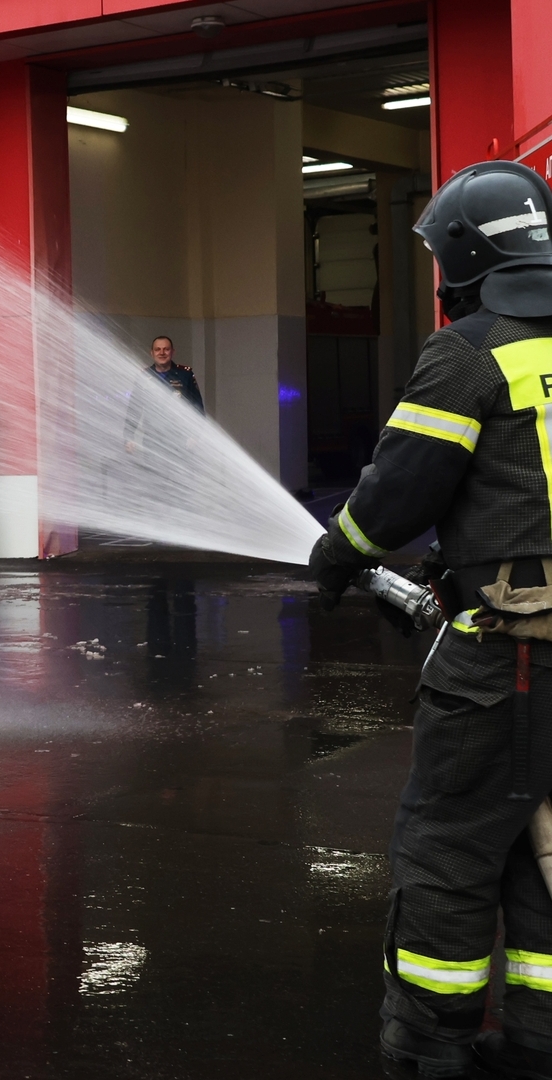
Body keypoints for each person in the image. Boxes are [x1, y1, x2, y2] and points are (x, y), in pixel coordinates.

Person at [309, 158, 552, 1079]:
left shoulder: (469, 353)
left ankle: (429, 1051)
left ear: (463, 257)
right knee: (545, 854)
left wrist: (339, 554)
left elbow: (397, 495)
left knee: (450, 854)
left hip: (504, 665)